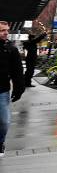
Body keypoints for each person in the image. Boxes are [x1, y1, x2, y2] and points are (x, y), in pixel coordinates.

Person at [0, 21, 25, 158]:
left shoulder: (11, 49)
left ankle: (0, 142)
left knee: (4, 122)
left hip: (2, 91)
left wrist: (19, 88)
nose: (6, 33)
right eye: (2, 30)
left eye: (7, 30)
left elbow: (17, 71)